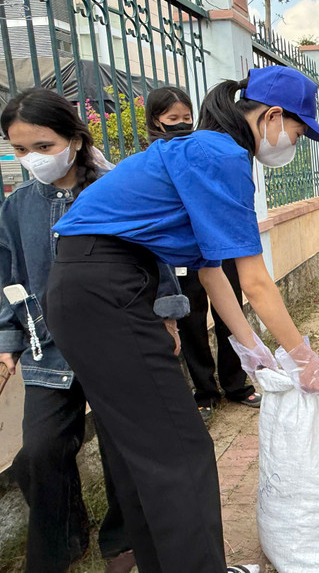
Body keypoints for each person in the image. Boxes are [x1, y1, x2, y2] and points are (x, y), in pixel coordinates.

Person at [44, 65, 319, 573]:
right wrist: (302, 356)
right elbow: (256, 281)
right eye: (299, 129)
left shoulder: (203, 149)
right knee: (181, 449)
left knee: (142, 448)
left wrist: (252, 350)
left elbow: (210, 271)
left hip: (89, 284)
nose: (296, 140)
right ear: (271, 116)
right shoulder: (220, 154)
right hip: (105, 288)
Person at [0, 88, 189, 573]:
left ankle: (123, 541)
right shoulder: (16, 207)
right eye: (19, 150)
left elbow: (156, 254)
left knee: (121, 450)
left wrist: (166, 316)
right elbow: (8, 280)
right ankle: (60, 545)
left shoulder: (116, 187)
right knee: (41, 451)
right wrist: (7, 344)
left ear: (74, 139)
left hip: (117, 338)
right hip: (49, 350)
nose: (31, 160)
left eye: (42, 147)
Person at [145, 87, 260, 422]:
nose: (182, 124)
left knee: (229, 313)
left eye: (186, 118)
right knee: (192, 321)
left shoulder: (202, 149)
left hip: (219, 244)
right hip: (181, 252)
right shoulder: (152, 158)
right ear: (156, 121)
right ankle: (205, 392)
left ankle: (236, 384)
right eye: (172, 119)